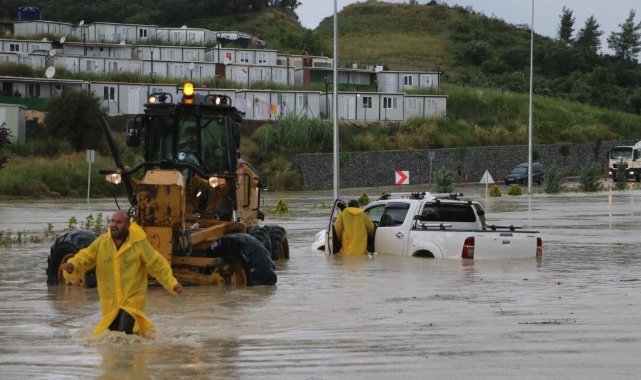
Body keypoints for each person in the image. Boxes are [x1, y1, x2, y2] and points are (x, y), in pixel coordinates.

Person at [61, 210, 183, 338]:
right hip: (110, 305)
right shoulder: (102, 243)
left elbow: (157, 265)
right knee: (114, 337)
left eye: (119, 222)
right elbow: (84, 258)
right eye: (112, 221)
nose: (114, 225)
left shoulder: (139, 244)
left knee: (125, 332)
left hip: (132, 302)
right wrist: (72, 266)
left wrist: (172, 284)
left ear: (128, 225)